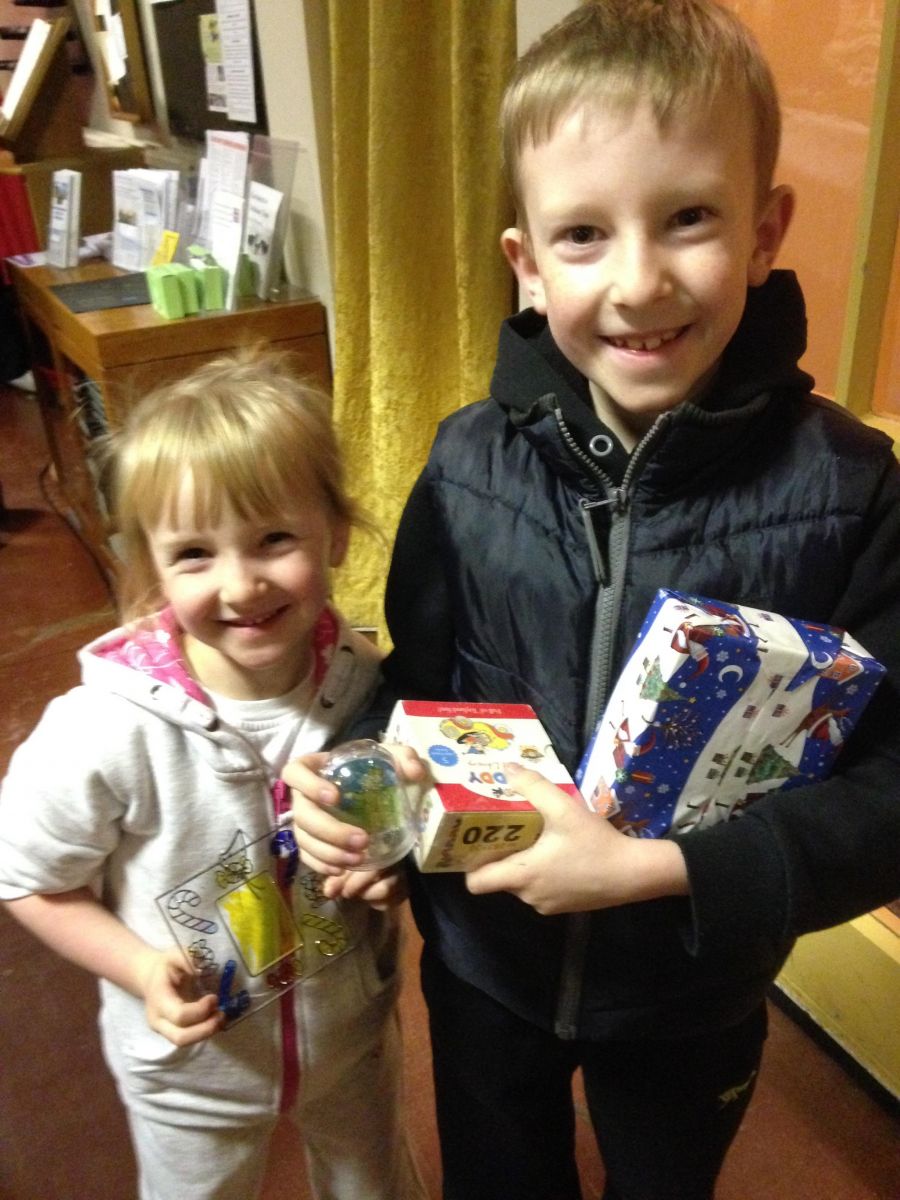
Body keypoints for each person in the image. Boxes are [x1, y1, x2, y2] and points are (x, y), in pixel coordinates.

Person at [287, 3, 900, 1199]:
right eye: (582, 234)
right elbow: (425, 683)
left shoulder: (850, 491)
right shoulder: (467, 462)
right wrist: (370, 793)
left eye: (689, 218)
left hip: (688, 996)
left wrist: (659, 874)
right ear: (525, 260)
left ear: (767, 228)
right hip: (484, 969)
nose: (638, 281)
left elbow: (892, 791)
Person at [0, 351, 426, 1200]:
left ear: (335, 532)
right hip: (192, 1074)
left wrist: (390, 864)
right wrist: (139, 969)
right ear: (152, 566)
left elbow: (391, 831)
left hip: (351, 1043)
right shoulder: (102, 729)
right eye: (195, 553)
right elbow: (25, 880)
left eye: (274, 537)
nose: (241, 583)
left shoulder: (366, 682)